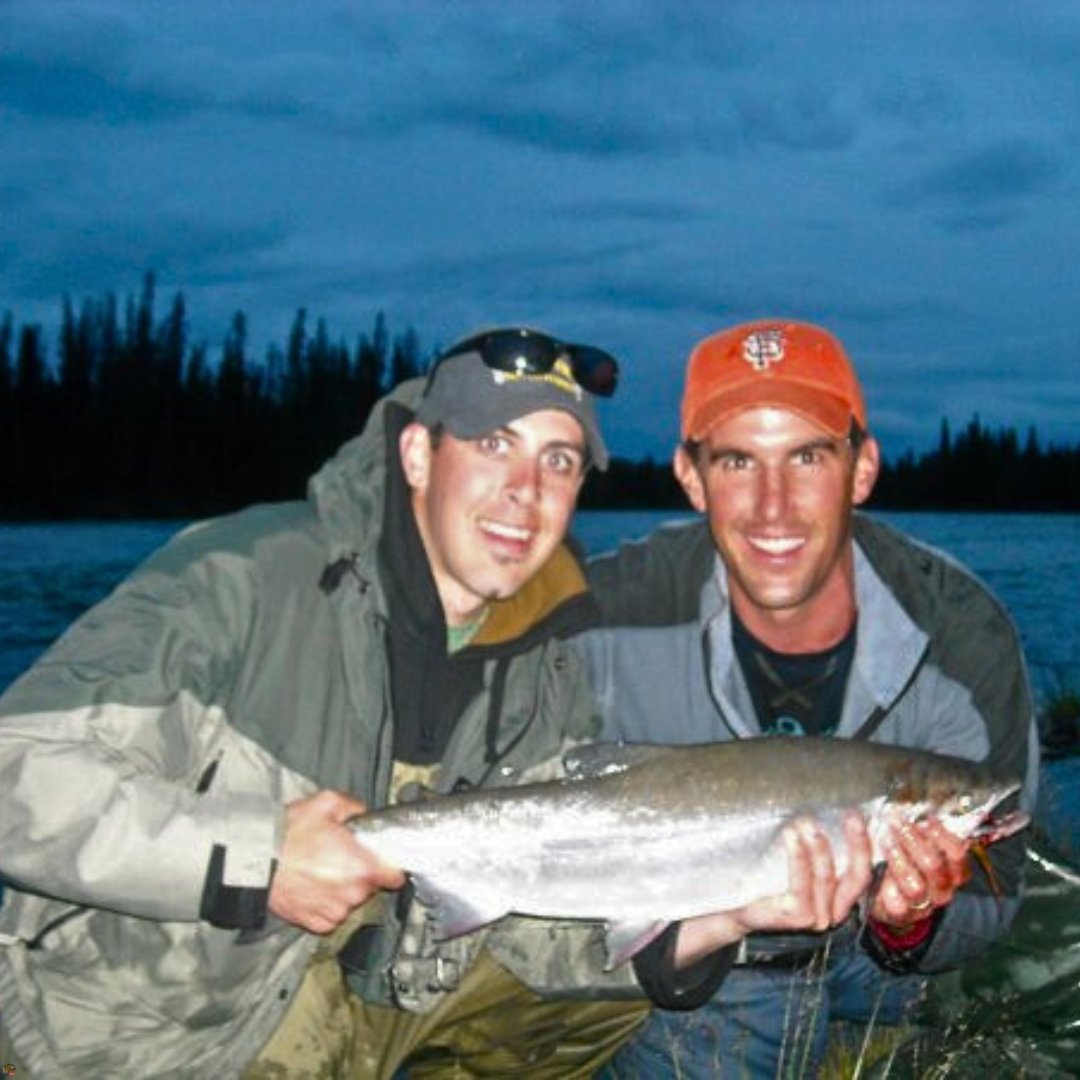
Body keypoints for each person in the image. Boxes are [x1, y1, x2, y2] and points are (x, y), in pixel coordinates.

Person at [0, 324, 873, 1078]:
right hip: (120, 1035)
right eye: (494, 444)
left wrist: (726, 917)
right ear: (419, 454)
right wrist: (255, 857)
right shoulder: (237, 579)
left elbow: (537, 925)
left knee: (610, 998)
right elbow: (14, 773)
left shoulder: (544, 669)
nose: (525, 493)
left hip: (349, 1001)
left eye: (559, 461)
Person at [579, 319, 1040, 1078]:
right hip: (704, 968)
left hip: (891, 975)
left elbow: (1006, 884)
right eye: (737, 461)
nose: (774, 506)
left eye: (807, 456)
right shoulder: (606, 615)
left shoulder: (963, 635)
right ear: (690, 477)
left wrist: (910, 924)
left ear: (861, 470)